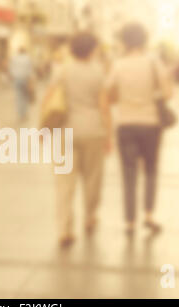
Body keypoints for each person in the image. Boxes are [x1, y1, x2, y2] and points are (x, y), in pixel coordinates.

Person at [105, 23, 172, 236]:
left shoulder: (118, 65)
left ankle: (130, 222)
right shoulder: (154, 63)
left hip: (125, 124)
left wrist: (125, 97)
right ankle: (149, 215)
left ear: (124, 42)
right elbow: (168, 93)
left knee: (128, 173)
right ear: (144, 41)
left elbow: (107, 94)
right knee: (151, 170)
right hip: (150, 124)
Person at [46, 32, 112, 247]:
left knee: (64, 184)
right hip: (93, 130)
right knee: (93, 179)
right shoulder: (98, 72)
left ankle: (64, 229)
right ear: (92, 50)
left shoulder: (62, 70)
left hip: (64, 131)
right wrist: (109, 135)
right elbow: (104, 107)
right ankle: (90, 217)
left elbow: (48, 100)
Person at [9, 47, 34, 122]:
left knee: (18, 96)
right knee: (25, 97)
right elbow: (30, 70)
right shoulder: (27, 58)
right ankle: (24, 113)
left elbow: (11, 69)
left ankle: (20, 114)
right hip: (25, 79)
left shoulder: (14, 58)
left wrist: (13, 76)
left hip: (17, 79)